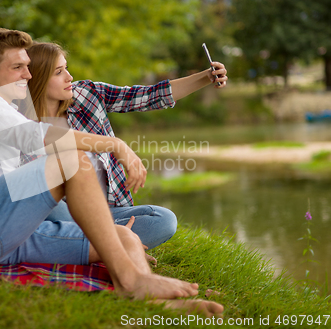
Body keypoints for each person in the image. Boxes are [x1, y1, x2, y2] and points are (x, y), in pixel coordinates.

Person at [0, 28, 223, 316]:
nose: (28, 74)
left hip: (9, 237)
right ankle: (133, 280)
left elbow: (142, 96)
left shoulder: (18, 107)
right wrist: (116, 144)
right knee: (71, 160)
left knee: (124, 238)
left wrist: (203, 77)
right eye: (18, 67)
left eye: (27, 66)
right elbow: (44, 137)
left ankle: (151, 297)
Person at [23, 42, 228, 249]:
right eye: (59, 72)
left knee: (163, 219)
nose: (69, 77)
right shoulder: (21, 124)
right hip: (63, 215)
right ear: (38, 79)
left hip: (108, 212)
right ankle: (113, 245)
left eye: (66, 67)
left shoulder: (87, 94)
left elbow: (148, 96)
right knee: (45, 198)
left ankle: (95, 245)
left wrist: (206, 77)